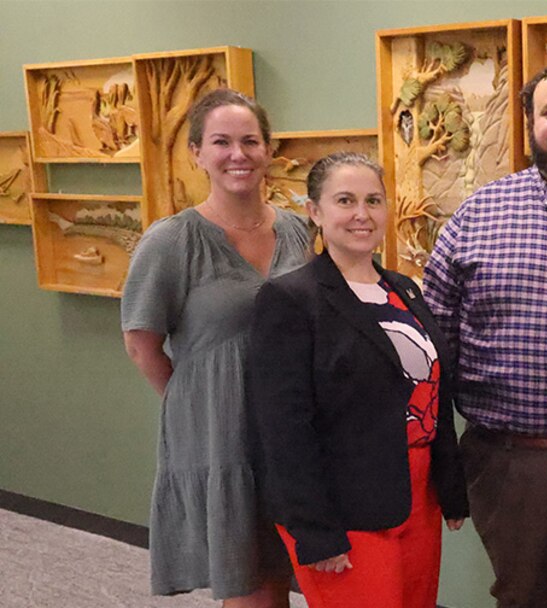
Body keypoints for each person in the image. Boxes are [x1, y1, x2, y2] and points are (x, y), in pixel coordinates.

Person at [422, 63, 547, 607]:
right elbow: (436, 344)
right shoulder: (478, 213)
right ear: (530, 122)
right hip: (512, 462)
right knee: (527, 597)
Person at [246, 152, 469, 608]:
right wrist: (315, 530)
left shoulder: (404, 290)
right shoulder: (289, 300)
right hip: (343, 506)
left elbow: (431, 388)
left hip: (415, 495)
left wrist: (450, 489)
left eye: (373, 200)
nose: (362, 214)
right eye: (345, 200)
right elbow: (282, 429)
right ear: (315, 211)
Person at [121, 88, 310, 607]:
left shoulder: (298, 231)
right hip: (220, 439)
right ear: (197, 153)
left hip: (290, 434)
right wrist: (198, 405)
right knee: (248, 586)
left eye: (250, 141)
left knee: (288, 574)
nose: (238, 155)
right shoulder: (171, 241)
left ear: (269, 150)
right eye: (221, 142)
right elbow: (141, 344)